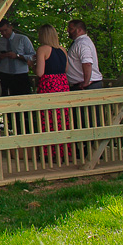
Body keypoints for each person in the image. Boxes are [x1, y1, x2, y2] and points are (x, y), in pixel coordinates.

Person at [35, 24, 72, 161]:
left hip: (49, 86)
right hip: (62, 84)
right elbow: (66, 68)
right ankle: (63, 152)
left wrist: (31, 65)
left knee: (48, 120)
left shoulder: (42, 49)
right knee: (62, 119)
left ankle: (49, 153)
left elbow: (40, 72)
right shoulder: (62, 50)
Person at [0, 19, 35, 96]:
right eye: (1, 31)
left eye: (6, 30)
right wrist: (0, 57)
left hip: (21, 75)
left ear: (11, 27)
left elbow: (32, 56)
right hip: (5, 75)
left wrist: (17, 56)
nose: (4, 33)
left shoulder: (22, 39)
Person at [66, 20, 103, 90]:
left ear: (79, 30)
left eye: (71, 29)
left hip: (87, 86)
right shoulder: (80, 42)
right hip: (85, 84)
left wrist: (86, 82)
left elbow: (87, 63)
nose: (68, 30)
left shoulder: (82, 43)